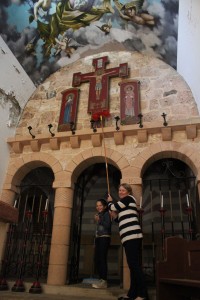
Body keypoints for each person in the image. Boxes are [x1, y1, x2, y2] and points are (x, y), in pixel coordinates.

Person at [107, 183, 148, 300]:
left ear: (128, 192)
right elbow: (118, 219)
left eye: (123, 190)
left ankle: (143, 294)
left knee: (134, 265)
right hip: (127, 237)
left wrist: (110, 202)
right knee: (132, 266)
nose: (120, 192)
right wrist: (114, 216)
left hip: (132, 236)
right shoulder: (125, 204)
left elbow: (113, 207)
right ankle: (132, 294)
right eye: (119, 190)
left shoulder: (128, 199)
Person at [92, 199, 112, 289]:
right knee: (98, 259)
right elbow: (97, 229)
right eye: (97, 206)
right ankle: (101, 279)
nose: (98, 207)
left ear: (104, 206)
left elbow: (107, 225)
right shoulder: (99, 215)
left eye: (100, 205)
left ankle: (104, 281)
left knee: (102, 259)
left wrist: (99, 220)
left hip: (105, 237)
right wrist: (95, 241)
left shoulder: (107, 213)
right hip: (99, 238)